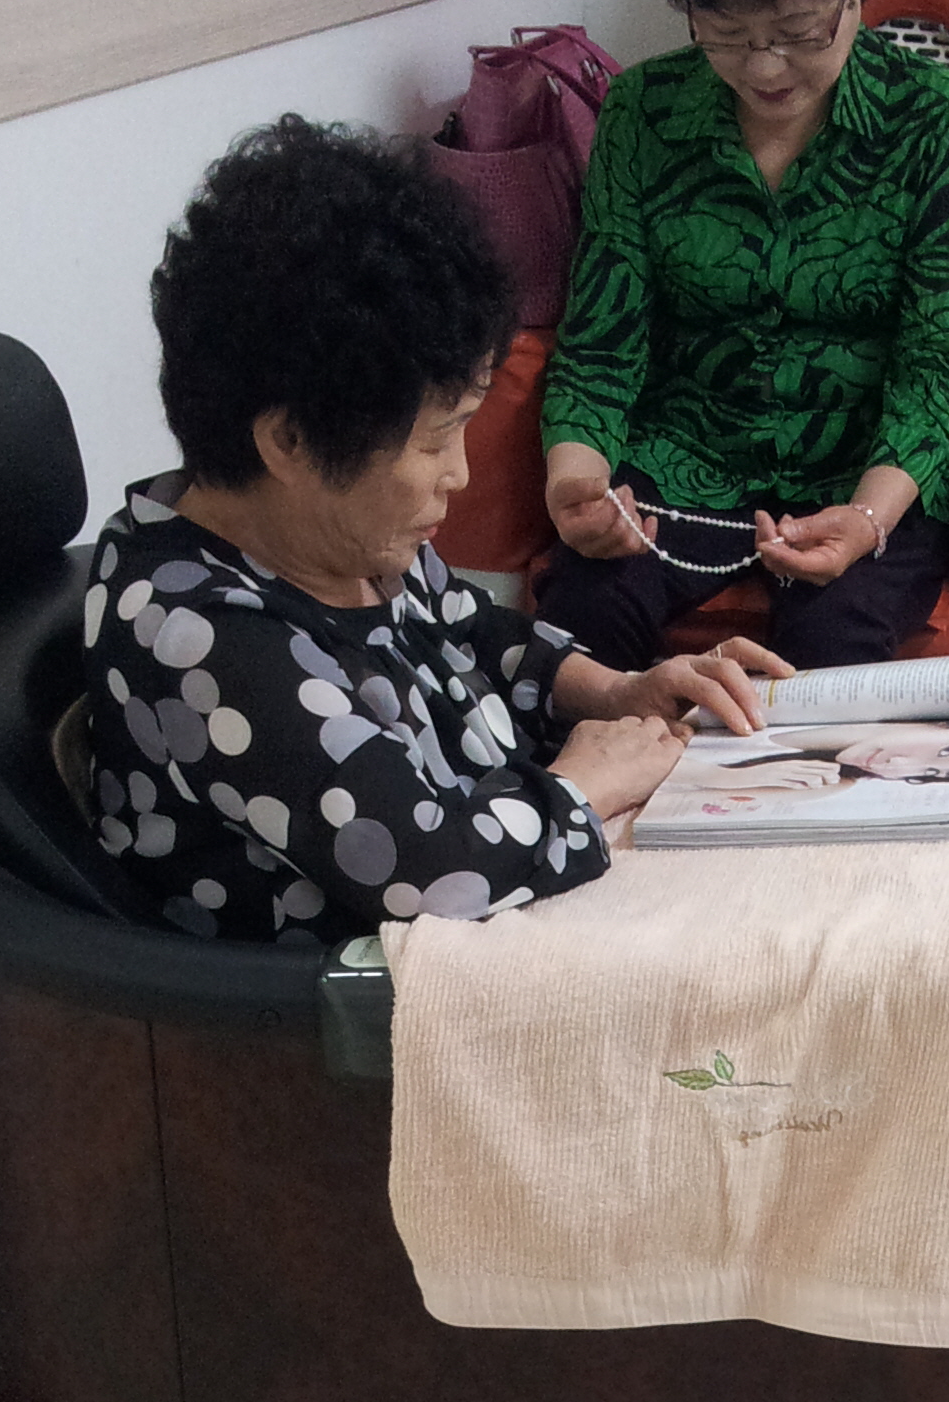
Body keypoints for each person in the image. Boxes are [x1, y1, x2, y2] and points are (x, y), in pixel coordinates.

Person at [87, 115, 787, 943]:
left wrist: (619, 691)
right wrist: (587, 781)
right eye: (434, 440)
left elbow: (471, 634)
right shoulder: (196, 634)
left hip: (498, 899)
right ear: (291, 442)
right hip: (345, 996)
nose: (458, 473)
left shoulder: (336, 537)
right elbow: (429, 868)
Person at [537, 0, 949, 675]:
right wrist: (576, 485)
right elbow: (600, 344)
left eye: (799, 33)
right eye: (726, 35)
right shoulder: (641, 112)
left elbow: (936, 365)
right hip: (684, 455)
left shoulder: (935, 122)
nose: (765, 69)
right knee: (582, 627)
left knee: (832, 650)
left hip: (867, 468)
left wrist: (868, 518)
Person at [666, 715, 949, 796]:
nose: (898, 767)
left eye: (933, 773)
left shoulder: (823, 783)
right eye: (947, 750)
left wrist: (726, 778)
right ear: (945, 722)